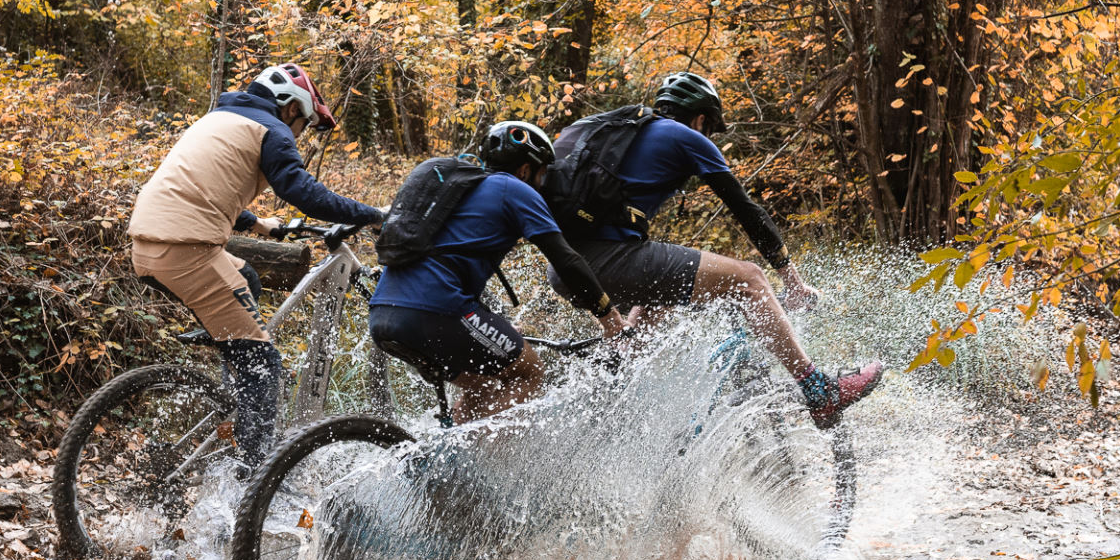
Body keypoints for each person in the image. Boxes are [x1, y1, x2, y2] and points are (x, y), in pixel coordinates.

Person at [546, 72, 883, 428]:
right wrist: (792, 281)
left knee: (663, 285)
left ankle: (616, 381)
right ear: (701, 118)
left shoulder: (625, 134)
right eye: (709, 127)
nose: (707, 136)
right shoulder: (685, 135)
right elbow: (746, 210)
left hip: (567, 269)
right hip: (603, 260)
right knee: (750, 279)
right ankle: (820, 391)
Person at [126, 63, 384, 466]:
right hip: (187, 251)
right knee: (263, 364)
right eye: (305, 124)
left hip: (149, 244)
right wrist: (370, 214)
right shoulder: (274, 130)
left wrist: (258, 223)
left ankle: (234, 386)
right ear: (292, 109)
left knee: (245, 276)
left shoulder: (220, 119)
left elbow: (201, 188)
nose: (300, 135)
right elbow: (302, 191)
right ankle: (253, 482)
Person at [369, 121, 631, 422]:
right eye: (542, 173)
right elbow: (566, 260)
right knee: (529, 371)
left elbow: (448, 264)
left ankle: (451, 462)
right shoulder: (514, 189)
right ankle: (488, 466)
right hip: (434, 309)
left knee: (483, 385)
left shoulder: (458, 190)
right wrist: (611, 320)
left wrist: (494, 324)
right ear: (525, 169)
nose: (542, 182)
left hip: (383, 315)